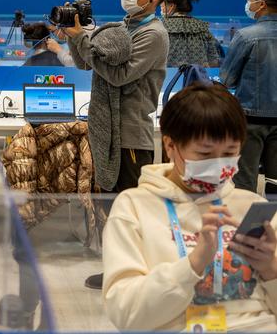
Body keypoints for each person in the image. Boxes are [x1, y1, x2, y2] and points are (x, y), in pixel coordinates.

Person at [103, 83, 277, 332]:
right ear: (170, 146)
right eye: (205, 154)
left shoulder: (252, 207)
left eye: (230, 152)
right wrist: (194, 263)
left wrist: (270, 268)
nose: (218, 164)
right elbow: (127, 314)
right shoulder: (134, 207)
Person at [64, 0, 170, 289]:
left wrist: (84, 39)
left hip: (130, 136)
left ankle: (133, 274)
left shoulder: (153, 34)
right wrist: (76, 38)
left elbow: (119, 75)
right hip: (107, 130)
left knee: (127, 208)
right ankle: (115, 269)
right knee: (108, 204)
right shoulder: (125, 25)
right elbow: (87, 62)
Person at [221, 0, 277, 195]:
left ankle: (248, 229)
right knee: (275, 184)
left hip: (250, 121)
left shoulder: (246, 36)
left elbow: (227, 80)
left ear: (261, 4)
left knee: (245, 184)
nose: (248, 2)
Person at [161, 0, 220, 67]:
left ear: (171, 6)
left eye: (162, 6)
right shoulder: (202, 28)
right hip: (197, 78)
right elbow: (214, 62)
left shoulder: (160, 27)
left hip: (168, 78)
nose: (161, 9)